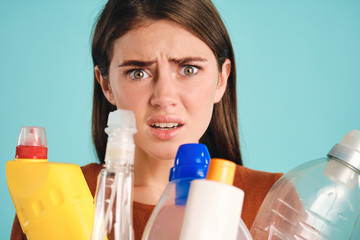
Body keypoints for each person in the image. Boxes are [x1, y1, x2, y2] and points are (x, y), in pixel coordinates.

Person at [10, 0, 282, 239]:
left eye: (189, 69)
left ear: (222, 78)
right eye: (138, 73)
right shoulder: (51, 202)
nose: (164, 97)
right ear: (105, 84)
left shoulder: (275, 202)